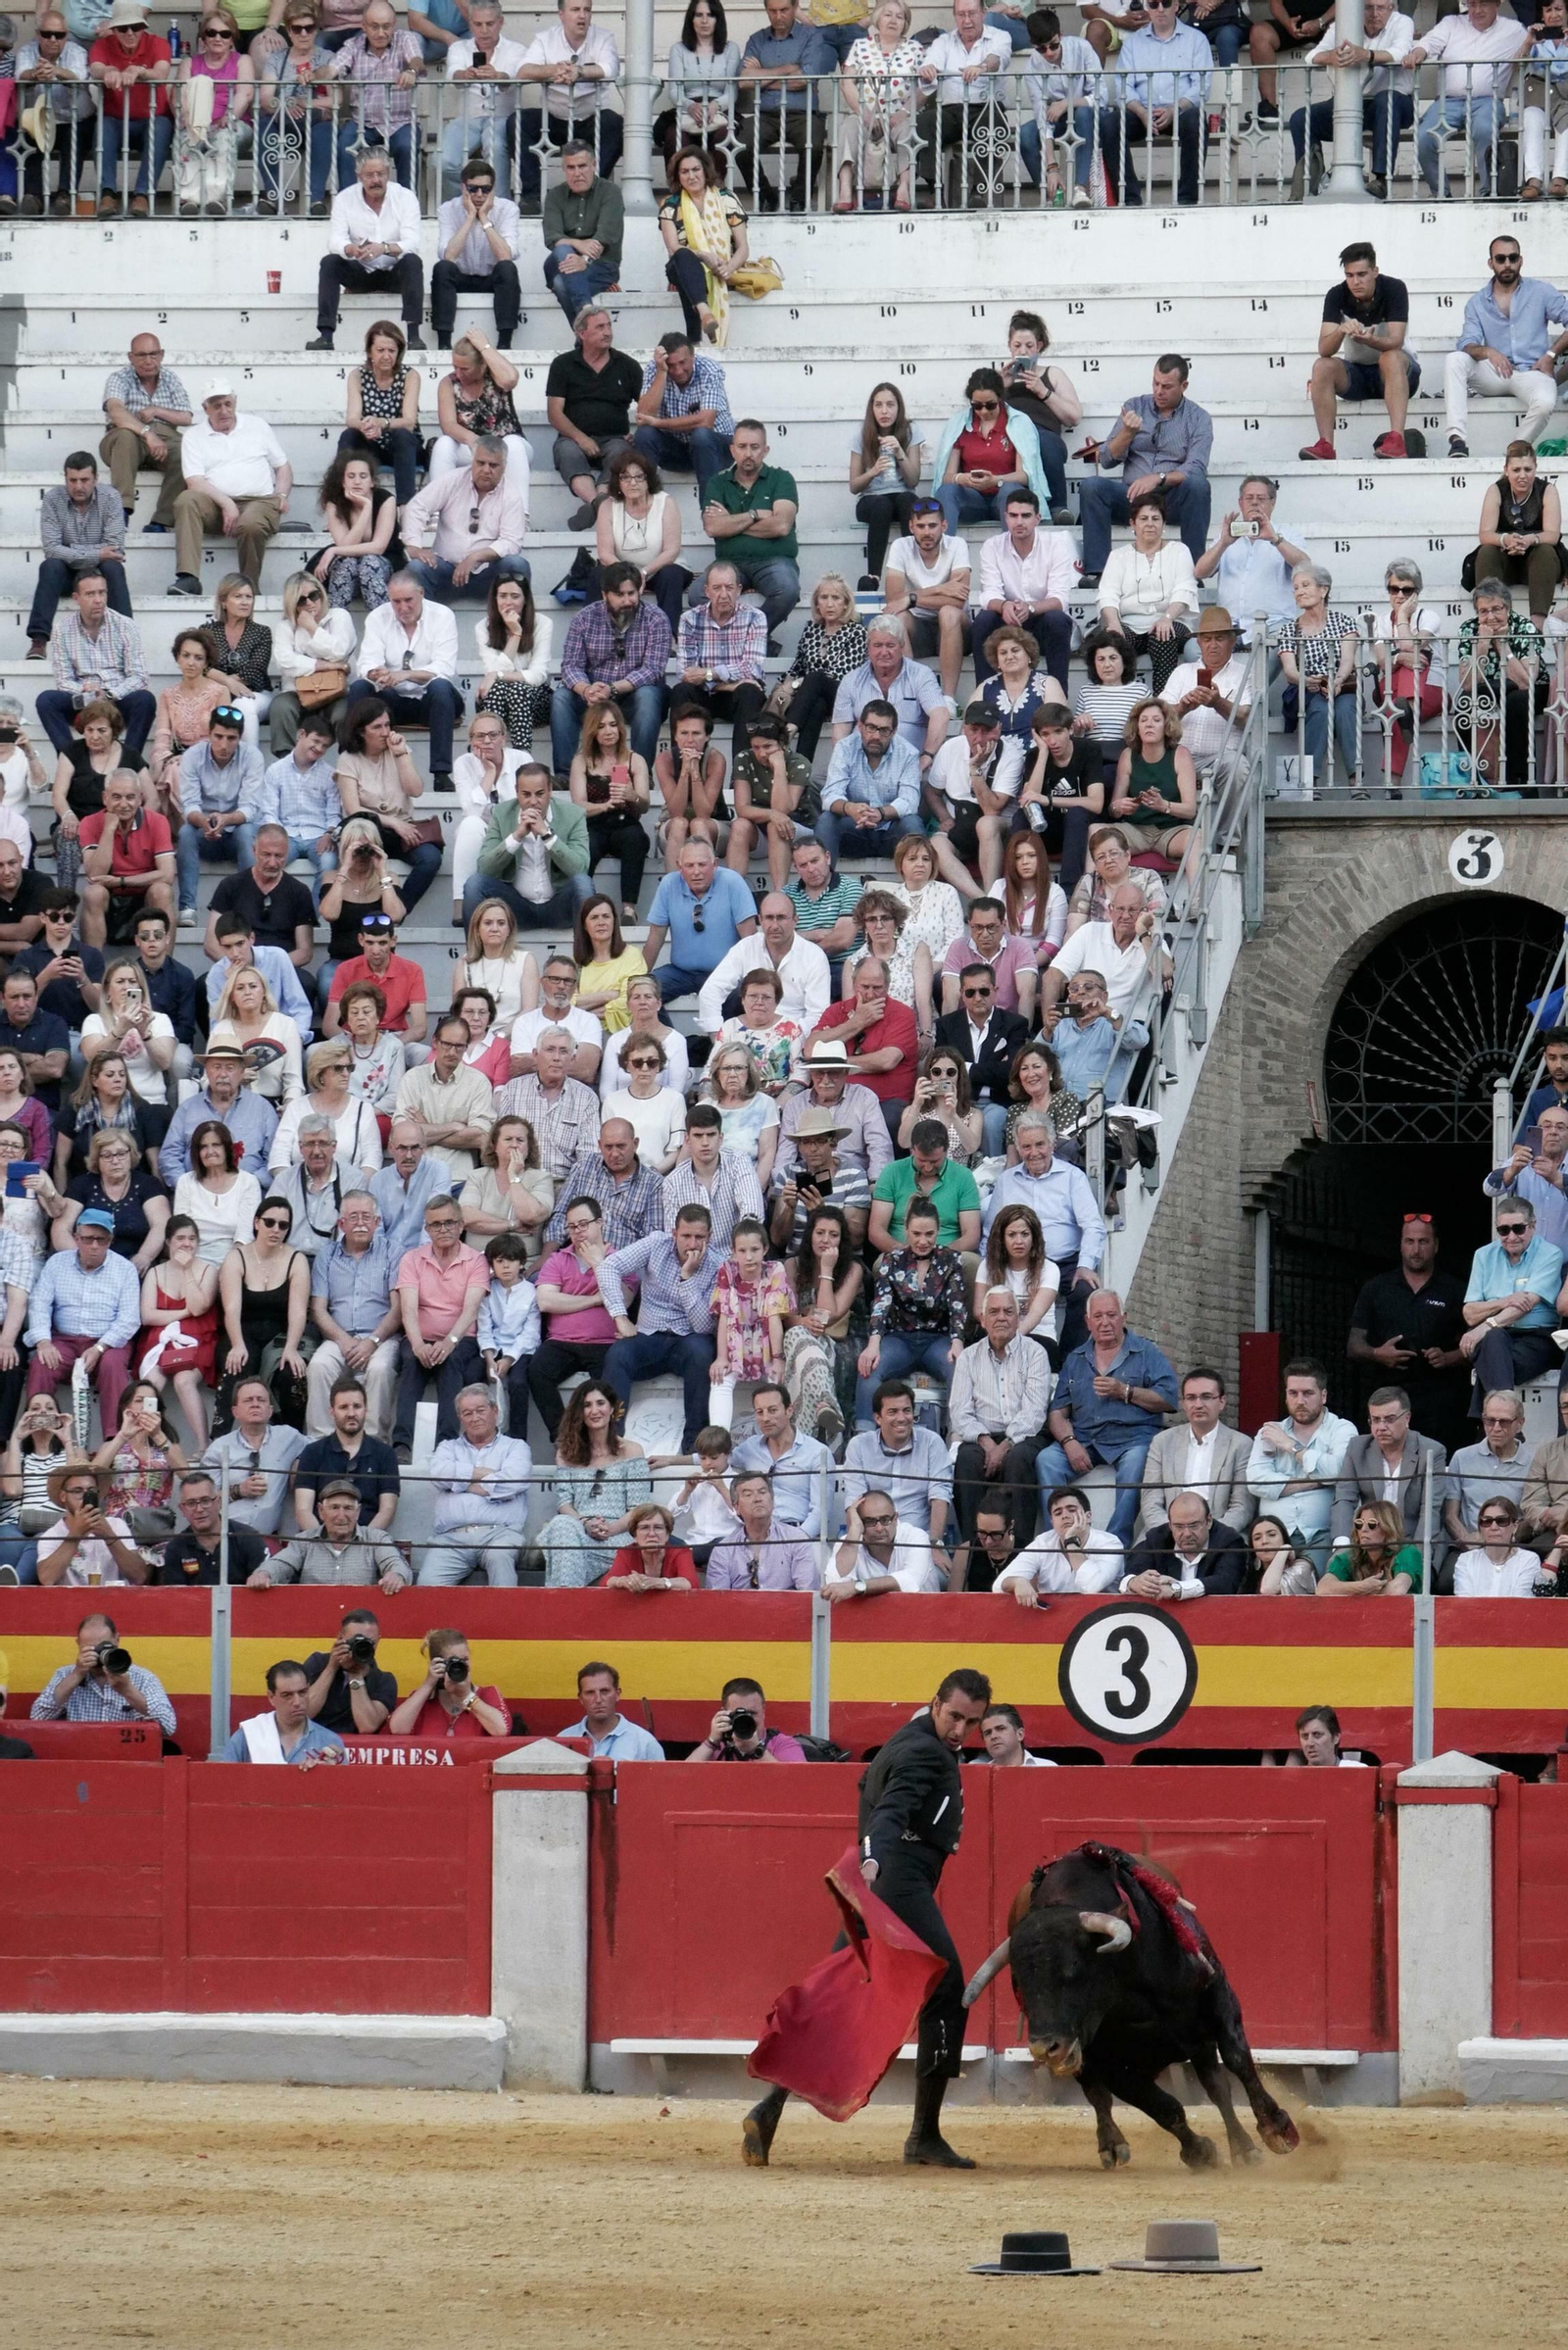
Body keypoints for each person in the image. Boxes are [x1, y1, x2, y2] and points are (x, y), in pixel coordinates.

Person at [742, 1661, 994, 2170]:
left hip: (876, 1884)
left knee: (838, 1994)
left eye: (972, 1722)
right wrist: (874, 1858)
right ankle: (924, 2135)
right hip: (897, 1881)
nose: (961, 1730)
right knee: (948, 1987)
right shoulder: (924, 1752)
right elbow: (890, 1811)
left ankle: (769, 2108)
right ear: (935, 1704)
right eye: (955, 1717)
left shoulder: (909, 1737)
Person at [1033, 1289, 1176, 1545]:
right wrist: (1069, 1442)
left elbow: (1169, 1398)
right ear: (1087, 1322)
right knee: (1047, 1460)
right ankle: (1058, 1539)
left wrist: (1125, 1391)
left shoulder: (1146, 1352)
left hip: (1132, 1440)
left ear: (1124, 1317)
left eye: (1111, 1315)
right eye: (1098, 1316)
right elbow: (1057, 1412)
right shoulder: (1076, 1358)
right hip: (1085, 1439)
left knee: (1136, 1462)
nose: (1105, 1322)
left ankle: (1115, 1542)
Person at [1078, 356, 1212, 589]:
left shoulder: (1199, 417)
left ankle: (1193, 572)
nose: (1159, 391)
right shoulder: (1135, 406)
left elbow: (1197, 466)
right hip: (1132, 497)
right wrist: (1127, 433)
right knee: (1092, 486)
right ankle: (1098, 572)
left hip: (1171, 498)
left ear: (1184, 386)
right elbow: (1107, 460)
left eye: (1167, 386)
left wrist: (1159, 478)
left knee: (1198, 485)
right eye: (1155, 383)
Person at [950, 1288, 1052, 1561]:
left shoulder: (1035, 1353)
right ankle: (974, 1555)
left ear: (1018, 1318)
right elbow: (959, 1412)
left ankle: (1021, 1555)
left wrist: (1005, 1445)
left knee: (1018, 1459)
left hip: (1026, 1435)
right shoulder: (968, 1357)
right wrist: (986, 1442)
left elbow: (1034, 1411)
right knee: (967, 1460)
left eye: (1008, 1311)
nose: (1001, 1317)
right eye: (994, 1312)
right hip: (982, 1436)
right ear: (983, 1320)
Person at [345, 576, 464, 804]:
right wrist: (377, 673)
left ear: (422, 594)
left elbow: (445, 668)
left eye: (408, 600)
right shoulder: (378, 617)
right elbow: (367, 663)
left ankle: (441, 774)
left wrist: (405, 674)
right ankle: (351, 765)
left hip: (433, 700)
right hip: (393, 700)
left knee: (440, 687)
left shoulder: (442, 615)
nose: (402, 607)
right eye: (396, 601)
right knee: (360, 688)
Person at [170, 379, 290, 601]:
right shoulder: (194, 436)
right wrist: (227, 503)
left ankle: (249, 587)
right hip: (216, 505)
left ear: (235, 402)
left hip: (259, 501)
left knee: (251, 524)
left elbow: (282, 466)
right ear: (205, 408)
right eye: (216, 406)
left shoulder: (257, 426)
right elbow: (194, 480)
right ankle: (188, 578)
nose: (224, 411)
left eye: (228, 404)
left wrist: (281, 494)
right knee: (186, 500)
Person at [1301, 240, 1420, 465]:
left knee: (1390, 357)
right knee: (1322, 366)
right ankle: (1326, 444)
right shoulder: (1337, 294)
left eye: (1362, 274)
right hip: (1358, 374)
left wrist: (1371, 340)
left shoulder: (1394, 288)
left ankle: (1397, 439)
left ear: (1375, 271)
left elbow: (1396, 341)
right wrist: (1340, 330)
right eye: (1350, 275)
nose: (1355, 282)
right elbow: (1324, 349)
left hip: (1398, 375)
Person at [24, 1206, 140, 1434]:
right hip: (64, 1340)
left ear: (110, 1241)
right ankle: (39, 1438)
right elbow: (39, 1304)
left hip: (107, 1342)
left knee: (112, 1364)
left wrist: (99, 1348)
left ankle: (114, 1440)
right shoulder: (57, 1263)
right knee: (42, 1364)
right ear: (76, 1238)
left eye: (101, 1240)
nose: (94, 1246)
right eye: (88, 1239)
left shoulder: (125, 1269)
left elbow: (129, 1319)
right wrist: (43, 1342)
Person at [1446, 240, 1566, 456]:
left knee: (1546, 402)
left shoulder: (1541, 291)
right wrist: (1488, 352)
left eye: (1513, 258)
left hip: (1533, 371)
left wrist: (1551, 355)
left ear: (1520, 260)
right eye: (1501, 259)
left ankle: (1514, 454)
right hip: (1495, 372)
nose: (1507, 264)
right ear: (1491, 263)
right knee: (1455, 359)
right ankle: (1457, 440)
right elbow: (1467, 343)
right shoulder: (1477, 302)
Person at [392, 1192, 490, 1454]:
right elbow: (408, 1310)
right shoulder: (412, 1259)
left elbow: (471, 1310)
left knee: (451, 1360)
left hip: (461, 1337)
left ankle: (446, 1443)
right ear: (426, 1229)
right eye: (435, 1224)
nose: (443, 1229)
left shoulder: (476, 1260)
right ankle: (401, 1443)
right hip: (420, 1336)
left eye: (449, 1222)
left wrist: (449, 1342)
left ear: (461, 1225)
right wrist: (418, 1345)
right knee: (411, 1361)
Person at [552, 562, 671, 775]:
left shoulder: (656, 618)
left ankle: (640, 772)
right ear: (604, 594)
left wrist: (613, 688)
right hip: (593, 694)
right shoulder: (584, 618)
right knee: (561, 697)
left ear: (640, 591)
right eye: (619, 595)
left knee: (648, 696)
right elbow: (570, 665)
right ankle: (565, 775)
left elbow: (653, 669)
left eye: (631, 593)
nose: (627, 601)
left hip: (633, 694)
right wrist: (586, 690)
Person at [1287, 0, 1413, 196]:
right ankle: (1310, 183)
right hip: (1351, 102)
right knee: (1301, 118)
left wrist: (1367, 55)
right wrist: (1330, 56)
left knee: (1386, 100)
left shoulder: (1402, 21)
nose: (1374, 13)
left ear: (1391, 8)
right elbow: (1311, 56)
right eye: (1368, 7)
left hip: (1396, 102)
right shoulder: (1343, 24)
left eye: (1380, 7)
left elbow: (1400, 53)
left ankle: (1381, 180)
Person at [1409, 0, 1531, 201]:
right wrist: (1418, 52)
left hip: (1487, 101)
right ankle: (1441, 194)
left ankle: (1488, 193)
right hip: (1448, 102)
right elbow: (1429, 42)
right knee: (1424, 137)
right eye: (1472, 5)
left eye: (1483, 4)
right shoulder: (1451, 23)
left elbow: (1532, 50)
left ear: (1497, 4)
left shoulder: (1514, 30)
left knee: (1484, 129)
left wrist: (1529, 44)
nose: (1477, 10)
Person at [1097, 0, 1213, 208]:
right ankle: (1129, 199)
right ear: (1147, 7)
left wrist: (1174, 108)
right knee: (1110, 123)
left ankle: (1187, 199)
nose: (1160, 9)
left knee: (1196, 119)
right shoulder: (1133, 42)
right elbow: (1123, 86)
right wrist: (1141, 112)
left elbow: (1201, 86)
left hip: (1180, 111)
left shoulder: (1196, 39)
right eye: (1153, 3)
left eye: (1166, 3)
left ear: (1176, 6)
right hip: (1141, 113)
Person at [1247, 1356, 1358, 1570]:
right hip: (1276, 1536)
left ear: (1323, 1396)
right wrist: (1318, 1481)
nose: (1300, 1401)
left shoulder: (1342, 1429)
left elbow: (1338, 1471)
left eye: (1307, 1393)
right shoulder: (1269, 1432)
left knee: (1301, 1579)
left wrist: (1290, 1445)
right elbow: (1255, 1481)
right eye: (1293, 1393)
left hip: (1324, 1533)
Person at [417, 1382, 530, 1587]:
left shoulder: (515, 1447)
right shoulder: (447, 1447)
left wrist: (459, 1482)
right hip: (451, 1538)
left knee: (500, 1557)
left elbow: (513, 1483)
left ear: (494, 1411)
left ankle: (507, 1610)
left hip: (500, 1534)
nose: (475, 1418)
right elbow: (439, 1474)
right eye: (467, 1413)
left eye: (480, 1410)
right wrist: (485, 1476)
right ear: (460, 1418)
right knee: (427, 1585)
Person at [305, 1194, 400, 1436]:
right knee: (319, 1366)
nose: (360, 1223)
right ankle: (321, 1441)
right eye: (353, 1217)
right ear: (341, 1224)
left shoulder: (393, 1252)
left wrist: (372, 1341)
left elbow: (398, 1308)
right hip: (339, 1337)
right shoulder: (326, 1255)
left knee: (380, 1369)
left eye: (366, 1217)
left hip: (382, 1338)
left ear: (377, 1222)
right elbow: (318, 1308)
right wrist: (343, 1340)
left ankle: (373, 1441)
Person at [36, 572, 155, 765]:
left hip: (116, 699)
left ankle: (128, 764)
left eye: (102, 592)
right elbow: (63, 679)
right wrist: (87, 693)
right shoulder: (62, 629)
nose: (98, 600)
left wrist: (108, 694)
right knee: (46, 700)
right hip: (83, 700)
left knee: (145, 700)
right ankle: (73, 763)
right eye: (90, 594)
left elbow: (139, 676)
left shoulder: (125, 625)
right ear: (76, 598)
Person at [400, 436, 531, 608]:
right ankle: (428, 621)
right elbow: (417, 507)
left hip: (488, 577)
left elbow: (511, 542)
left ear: (504, 467)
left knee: (517, 565)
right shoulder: (452, 480)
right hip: (446, 572)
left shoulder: (511, 495)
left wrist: (474, 557)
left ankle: (514, 623)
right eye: (481, 463)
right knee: (416, 568)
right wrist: (414, 546)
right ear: (472, 460)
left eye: (493, 465)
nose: (486, 470)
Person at [24, 454, 129, 666]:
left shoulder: (111, 497)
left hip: (99, 574)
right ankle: (39, 641)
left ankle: (125, 640)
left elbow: (115, 548)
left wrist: (70, 550)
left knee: (113, 567)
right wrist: (97, 553)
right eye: (72, 480)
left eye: (84, 480)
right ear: (65, 479)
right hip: (67, 575)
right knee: (50, 566)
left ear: (95, 479)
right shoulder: (53, 499)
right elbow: (51, 549)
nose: (78, 486)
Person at [1460, 1198, 1565, 1409]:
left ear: (1533, 1225)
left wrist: (1485, 1325)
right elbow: (1469, 1313)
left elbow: (1526, 1305)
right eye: (1504, 1230)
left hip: (1536, 1338)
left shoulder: (1550, 1254)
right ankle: (1507, 1414)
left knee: (1492, 1360)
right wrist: (1505, 1301)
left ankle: (1493, 1416)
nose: (1511, 1236)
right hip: (1496, 1338)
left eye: (1518, 1228)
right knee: (1494, 1342)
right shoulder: (1483, 1255)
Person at [701, 421, 800, 643]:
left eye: (755, 447)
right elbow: (713, 527)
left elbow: (781, 526)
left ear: (765, 450)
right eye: (742, 446)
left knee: (787, 589)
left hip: (774, 560)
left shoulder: (781, 479)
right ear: (732, 450)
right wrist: (755, 514)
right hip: (729, 562)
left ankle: (746, 639)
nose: (748, 453)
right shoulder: (717, 483)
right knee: (699, 593)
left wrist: (731, 523)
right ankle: (752, 641)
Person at [545, 303, 642, 533]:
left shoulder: (628, 366)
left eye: (608, 326)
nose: (607, 332)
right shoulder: (563, 365)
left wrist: (638, 434)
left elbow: (649, 408)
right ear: (581, 333)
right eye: (599, 327)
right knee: (567, 452)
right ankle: (598, 503)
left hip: (614, 439)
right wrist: (581, 438)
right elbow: (554, 413)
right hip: (573, 439)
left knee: (622, 454)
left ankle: (595, 504)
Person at [514, 0, 623, 201]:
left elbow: (610, 68)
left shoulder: (603, 37)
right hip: (553, 120)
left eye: (587, 10)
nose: (582, 15)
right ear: (561, 15)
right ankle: (532, 196)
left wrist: (579, 71)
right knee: (518, 122)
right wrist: (555, 69)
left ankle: (591, 192)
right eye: (575, 10)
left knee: (615, 124)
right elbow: (523, 70)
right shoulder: (545, 38)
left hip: (590, 120)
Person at [972, 486, 1073, 692]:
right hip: (1007, 619)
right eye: (1013, 515)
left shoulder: (1056, 545)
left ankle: (1058, 697)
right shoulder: (992, 546)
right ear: (1005, 517)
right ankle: (984, 698)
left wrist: (1031, 608)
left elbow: (1059, 598)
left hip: (1041, 620)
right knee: (984, 619)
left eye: (1026, 516)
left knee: (1058, 619)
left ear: (1037, 518)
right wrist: (1004, 606)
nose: (1019, 522)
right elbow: (989, 593)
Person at [733, 0, 831, 209]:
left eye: (784, 10)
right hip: (766, 116)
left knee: (813, 143)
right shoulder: (757, 39)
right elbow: (744, 82)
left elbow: (806, 78)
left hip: (802, 114)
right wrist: (787, 69)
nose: (778, 16)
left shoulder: (811, 36)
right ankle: (767, 196)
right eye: (773, 11)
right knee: (739, 143)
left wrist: (761, 77)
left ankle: (799, 199)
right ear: (766, 10)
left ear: (795, 8)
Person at [641, 835, 757, 1010]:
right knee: (643, 992)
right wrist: (638, 979)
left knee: (738, 994)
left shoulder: (733, 882)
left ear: (715, 864)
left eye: (702, 864)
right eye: (689, 865)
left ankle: (724, 1031)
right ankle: (666, 1030)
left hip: (725, 971)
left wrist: (754, 979)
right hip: (680, 972)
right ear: (680, 866)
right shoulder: (668, 884)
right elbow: (654, 939)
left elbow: (750, 939)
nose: (696, 871)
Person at [832, 0, 923, 213]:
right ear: (877, 19)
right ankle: (845, 191)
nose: (893, 20)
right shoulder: (860, 46)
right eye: (888, 15)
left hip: (899, 115)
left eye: (899, 17)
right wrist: (864, 114)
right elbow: (847, 82)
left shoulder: (915, 48)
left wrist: (904, 113)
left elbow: (924, 88)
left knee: (908, 132)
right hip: (864, 114)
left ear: (905, 23)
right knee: (848, 129)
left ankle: (903, 189)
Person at [1141, 1365, 1255, 1534]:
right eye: (1191, 1398)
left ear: (1222, 1401)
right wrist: (1175, 1533)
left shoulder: (1241, 1444)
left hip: (1220, 1535)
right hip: (1167, 1534)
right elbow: (1150, 1500)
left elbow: (1243, 1506)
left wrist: (1211, 1536)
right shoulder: (1163, 1442)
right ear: (1183, 1403)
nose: (1198, 1404)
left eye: (1206, 1397)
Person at [100, 331, 191, 537]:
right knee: (125, 437)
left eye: (153, 354)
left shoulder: (170, 378)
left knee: (187, 449)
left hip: (165, 439)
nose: (148, 361)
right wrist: (147, 433)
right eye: (141, 355)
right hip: (125, 438)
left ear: (161, 355)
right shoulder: (119, 378)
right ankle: (120, 512)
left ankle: (161, 521)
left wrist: (156, 410)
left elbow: (186, 417)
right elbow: (116, 411)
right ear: (131, 357)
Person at [594, 450, 691, 639]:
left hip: (661, 567)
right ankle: (598, 637)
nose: (633, 483)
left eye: (639, 477)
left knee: (671, 575)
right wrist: (627, 575)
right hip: (622, 570)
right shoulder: (608, 506)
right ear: (618, 482)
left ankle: (668, 639)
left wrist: (644, 572)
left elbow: (672, 550)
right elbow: (605, 553)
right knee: (598, 575)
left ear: (649, 480)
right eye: (625, 477)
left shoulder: (666, 502)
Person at [634, 330, 734, 514]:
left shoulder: (709, 369)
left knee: (702, 436)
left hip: (717, 449)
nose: (678, 371)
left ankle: (711, 514)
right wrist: (662, 372)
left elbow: (706, 421)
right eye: (671, 365)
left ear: (693, 356)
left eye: (683, 363)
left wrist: (658, 423)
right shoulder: (655, 368)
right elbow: (643, 415)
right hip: (678, 449)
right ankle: (642, 507)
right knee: (644, 435)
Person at [89, 0, 173, 215]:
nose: (130, 33)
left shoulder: (158, 43)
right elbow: (96, 68)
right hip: (116, 120)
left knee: (161, 126)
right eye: (123, 28)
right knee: (102, 126)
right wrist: (108, 70)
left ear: (143, 27)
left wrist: (139, 71)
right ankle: (108, 194)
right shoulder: (102, 45)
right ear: (113, 30)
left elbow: (161, 72)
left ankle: (142, 195)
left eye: (135, 27)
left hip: (151, 119)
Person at [29, 1609, 176, 1733]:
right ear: (78, 1643)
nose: (99, 1654)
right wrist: (77, 1675)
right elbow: (37, 1719)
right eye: (90, 1648)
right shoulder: (65, 1675)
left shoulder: (143, 1678)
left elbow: (168, 1727)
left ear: (117, 1640)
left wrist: (128, 1690)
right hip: (80, 1752)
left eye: (104, 1647)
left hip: (126, 1754)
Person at [251, 1477, 410, 1589]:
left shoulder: (376, 1538)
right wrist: (264, 1574)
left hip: (362, 1619)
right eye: (334, 1508)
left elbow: (396, 1563)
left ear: (358, 1512)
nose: (341, 1516)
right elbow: (280, 1564)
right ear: (321, 1511)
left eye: (348, 1508)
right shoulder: (304, 1541)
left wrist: (395, 1575)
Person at [1472, 440, 1567, 623]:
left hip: (1539, 563)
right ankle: (1493, 621)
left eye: (1527, 469)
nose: (1522, 476)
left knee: (1546, 550)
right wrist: (1506, 540)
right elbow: (1485, 534)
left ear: (1535, 469)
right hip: (1505, 560)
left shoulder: (1547, 490)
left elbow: (1553, 534)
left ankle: (1536, 627)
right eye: (1516, 470)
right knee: (1486, 552)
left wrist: (1530, 540)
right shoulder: (1496, 490)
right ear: (1506, 470)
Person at [675, 560, 768, 739]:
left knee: (749, 692)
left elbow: (751, 668)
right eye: (717, 588)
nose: (724, 594)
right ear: (706, 591)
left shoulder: (755, 617)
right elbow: (686, 673)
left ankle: (743, 757)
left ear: (739, 590)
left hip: (736, 698)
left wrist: (707, 674)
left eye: (729, 587)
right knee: (682, 690)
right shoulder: (690, 618)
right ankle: (683, 755)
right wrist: (730, 684)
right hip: (704, 695)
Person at [541, 138, 623, 327]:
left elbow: (605, 236)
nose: (577, 173)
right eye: (571, 168)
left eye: (582, 166)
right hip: (558, 264)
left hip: (601, 266)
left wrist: (585, 260)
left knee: (561, 284)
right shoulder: (555, 196)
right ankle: (588, 313)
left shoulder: (610, 192)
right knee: (563, 250)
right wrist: (578, 244)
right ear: (564, 169)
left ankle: (583, 333)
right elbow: (552, 237)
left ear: (593, 165)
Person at [257, 713, 344, 880]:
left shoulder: (329, 774)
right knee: (269, 862)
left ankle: (319, 899)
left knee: (328, 862)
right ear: (301, 734)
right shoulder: (276, 771)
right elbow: (269, 811)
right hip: (286, 834)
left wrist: (329, 834)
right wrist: (278, 838)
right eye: (316, 741)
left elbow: (334, 813)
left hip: (318, 835)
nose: (319, 748)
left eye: (325, 746)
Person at [1121, 1488, 1250, 1598]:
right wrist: (1133, 1582)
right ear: (1170, 1525)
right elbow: (1130, 1573)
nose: (1187, 1533)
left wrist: (1177, 1589)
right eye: (1179, 1527)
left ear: (1209, 1521)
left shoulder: (1228, 1540)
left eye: (1194, 1525)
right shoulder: (1157, 1538)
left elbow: (1227, 1583)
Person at [1445, 1389, 1531, 1551]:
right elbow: (1450, 1515)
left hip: (1513, 1547)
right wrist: (1467, 1540)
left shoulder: (1532, 1462)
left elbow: (1531, 1517)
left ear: (1520, 1424)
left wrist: (1505, 1539)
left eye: (1504, 1422)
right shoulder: (1462, 1457)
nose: (1496, 1428)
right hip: (1470, 1546)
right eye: (1490, 1420)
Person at [386, 1626, 510, 1738]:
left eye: (465, 1660)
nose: (460, 1666)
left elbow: (501, 1730)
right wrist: (428, 1683)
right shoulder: (422, 1701)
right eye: (453, 1662)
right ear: (436, 1664)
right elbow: (397, 1729)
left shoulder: (487, 1694)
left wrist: (467, 1696)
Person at [157, 1466, 266, 1586]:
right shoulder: (175, 1548)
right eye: (191, 1503)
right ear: (182, 1509)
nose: (199, 1509)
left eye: (205, 1501)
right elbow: (175, 1595)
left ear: (218, 1502)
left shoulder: (248, 1538)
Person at [298, 1607, 398, 1735]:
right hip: (314, 1741)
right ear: (340, 1637)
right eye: (355, 1641)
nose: (362, 1646)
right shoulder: (317, 1663)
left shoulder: (384, 1680)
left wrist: (355, 1674)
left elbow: (367, 1726)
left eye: (369, 1642)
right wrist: (331, 1667)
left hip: (356, 1746)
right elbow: (303, 1714)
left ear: (379, 1640)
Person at [1487, 1107, 1568, 1256]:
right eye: (1547, 1126)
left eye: (1561, 1127)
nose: (1553, 1132)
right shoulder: (1523, 1157)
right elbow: (1489, 1189)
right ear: (1537, 1131)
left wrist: (1557, 1178)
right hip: (1527, 1261)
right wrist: (1512, 1170)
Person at [1318, 1496, 1425, 1596]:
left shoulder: (1408, 1551)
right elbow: (1322, 1588)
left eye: (1372, 1524)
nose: (1363, 1530)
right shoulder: (1350, 1555)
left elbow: (1397, 1589)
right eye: (1359, 1524)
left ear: (1388, 1528)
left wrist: (1358, 1591)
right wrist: (1360, 1587)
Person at [560, 1658, 665, 1758]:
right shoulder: (562, 1741)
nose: (598, 1699)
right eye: (590, 1693)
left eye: (605, 1691)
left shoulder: (645, 1743)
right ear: (581, 1699)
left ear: (617, 1694)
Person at [689, 1671, 808, 1753]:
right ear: (723, 1714)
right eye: (738, 1714)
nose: (746, 1718)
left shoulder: (782, 1744)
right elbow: (684, 1777)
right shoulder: (719, 1747)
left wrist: (756, 1750)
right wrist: (711, 1742)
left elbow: (794, 1781)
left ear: (763, 1711)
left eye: (752, 1713)